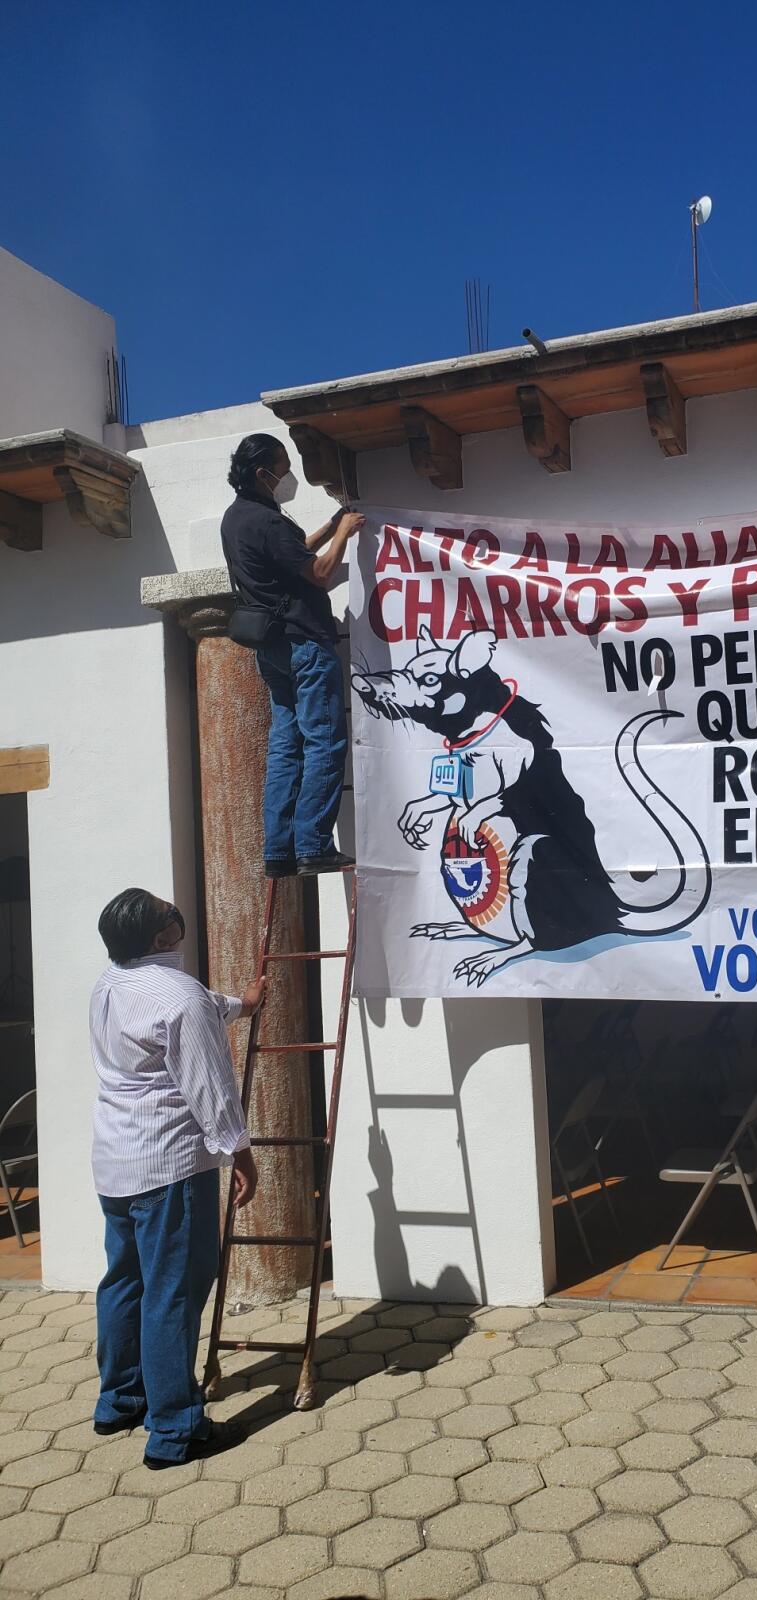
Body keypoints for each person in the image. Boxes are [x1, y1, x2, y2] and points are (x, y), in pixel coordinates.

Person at [89, 888, 264, 1468]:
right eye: (170, 914)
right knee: (175, 1288)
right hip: (169, 1165)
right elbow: (208, 1084)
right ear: (161, 938)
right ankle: (175, 1429)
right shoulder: (178, 994)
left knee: (126, 1281)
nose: (176, 914)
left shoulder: (110, 985)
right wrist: (238, 1151)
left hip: (116, 1164)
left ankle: (119, 1399)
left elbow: (196, 1005)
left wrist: (242, 1003)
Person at [221, 433, 364, 877]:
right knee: (323, 741)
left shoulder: (236, 519)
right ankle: (313, 845)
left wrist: (330, 524)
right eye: (283, 470)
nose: (289, 478)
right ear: (263, 474)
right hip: (305, 641)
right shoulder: (268, 522)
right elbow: (318, 572)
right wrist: (343, 532)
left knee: (286, 748)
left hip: (273, 648)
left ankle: (278, 851)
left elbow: (295, 550)